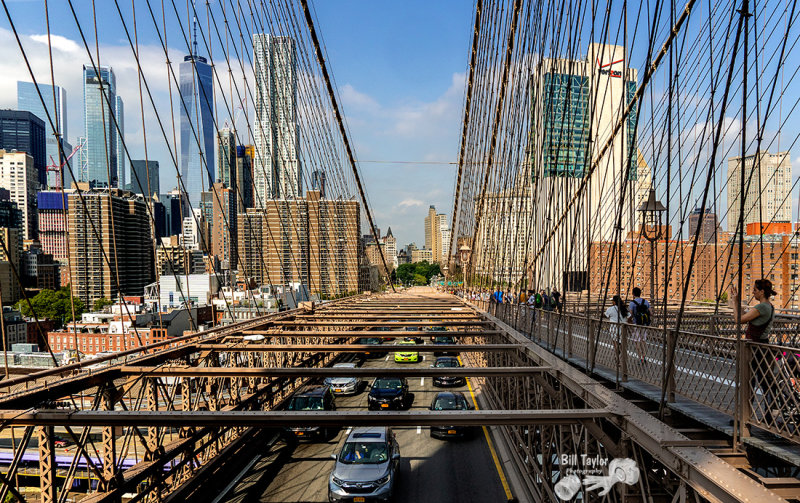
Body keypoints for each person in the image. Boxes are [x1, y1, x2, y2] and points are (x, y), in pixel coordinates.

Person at [729, 279, 777, 422]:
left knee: (749, 383)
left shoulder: (762, 307)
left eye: (755, 290)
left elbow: (738, 320)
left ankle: (744, 417)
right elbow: (744, 315)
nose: (753, 292)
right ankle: (767, 417)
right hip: (762, 348)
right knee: (765, 383)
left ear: (762, 292)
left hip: (755, 349)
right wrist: (737, 301)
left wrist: (733, 302)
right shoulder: (768, 306)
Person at [628, 287, 651, 364]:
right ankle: (644, 357)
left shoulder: (632, 303)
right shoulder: (646, 301)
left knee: (637, 341)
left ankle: (640, 358)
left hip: (636, 324)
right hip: (644, 324)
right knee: (643, 341)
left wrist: (629, 322)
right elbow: (651, 313)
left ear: (633, 294)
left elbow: (630, 315)